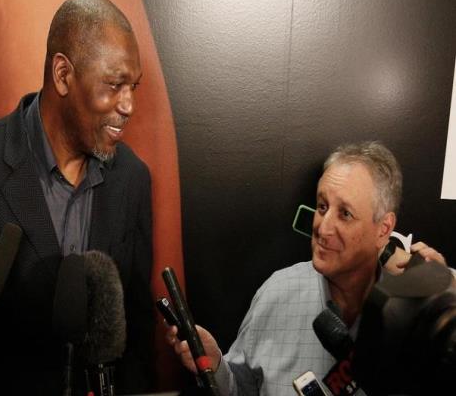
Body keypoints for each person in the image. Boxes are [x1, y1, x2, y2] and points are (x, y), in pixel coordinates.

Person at [0, 0, 154, 395]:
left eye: (133, 87)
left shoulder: (132, 179)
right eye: (115, 85)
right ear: (63, 74)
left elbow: (136, 331)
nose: (129, 105)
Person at [166, 140, 448, 396]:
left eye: (345, 214)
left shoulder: (418, 315)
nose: (322, 227)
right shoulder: (277, 292)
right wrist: (215, 364)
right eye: (322, 207)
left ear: (384, 229)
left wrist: (446, 295)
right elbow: (241, 389)